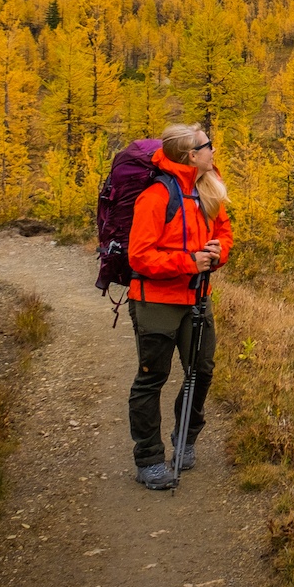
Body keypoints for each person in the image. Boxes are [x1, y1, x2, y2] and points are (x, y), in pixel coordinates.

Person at [126, 123, 233, 489]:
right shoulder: (156, 196)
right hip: (156, 301)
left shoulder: (206, 188)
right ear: (192, 155)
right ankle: (149, 458)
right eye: (208, 146)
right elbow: (139, 257)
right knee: (152, 377)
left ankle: (185, 437)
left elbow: (224, 232)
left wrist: (217, 255)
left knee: (201, 370)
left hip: (197, 297)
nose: (213, 151)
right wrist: (190, 262)